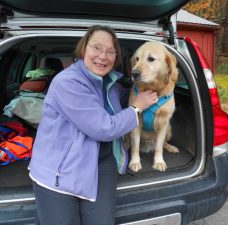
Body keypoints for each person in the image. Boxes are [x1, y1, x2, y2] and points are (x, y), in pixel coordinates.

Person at [28, 25, 158, 225]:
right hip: (61, 170)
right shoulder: (68, 82)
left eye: (110, 51)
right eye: (96, 48)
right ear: (83, 49)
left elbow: (122, 98)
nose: (103, 56)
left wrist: (148, 88)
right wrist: (136, 108)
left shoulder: (107, 83)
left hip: (101, 161)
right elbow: (103, 128)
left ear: (116, 56)